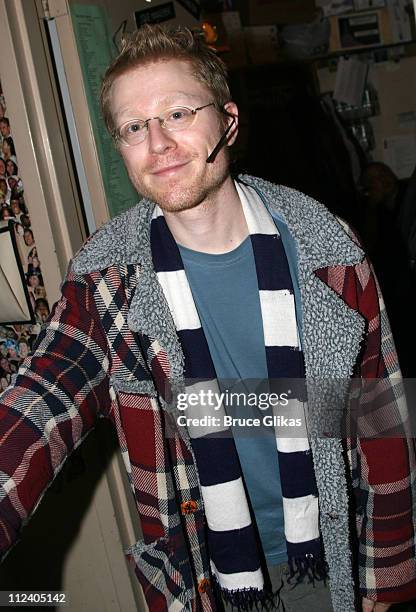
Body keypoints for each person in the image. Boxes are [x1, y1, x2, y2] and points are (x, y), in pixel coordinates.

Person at [0, 24, 415, 612]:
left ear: (229, 120)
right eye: (134, 127)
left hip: (328, 551)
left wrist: (391, 585)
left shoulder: (327, 251)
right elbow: (40, 402)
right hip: (200, 568)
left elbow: (380, 424)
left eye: (178, 113)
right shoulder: (107, 277)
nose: (159, 144)